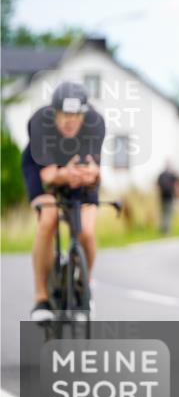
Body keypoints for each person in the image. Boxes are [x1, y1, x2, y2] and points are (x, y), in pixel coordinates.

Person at [20, 82, 106, 322]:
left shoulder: (96, 123)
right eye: (64, 114)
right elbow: (48, 176)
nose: (70, 121)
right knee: (48, 219)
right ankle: (41, 298)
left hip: (76, 174)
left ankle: (83, 287)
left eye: (76, 115)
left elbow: (95, 168)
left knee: (86, 231)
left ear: (84, 115)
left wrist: (90, 174)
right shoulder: (40, 123)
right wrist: (64, 174)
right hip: (43, 170)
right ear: (54, 113)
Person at [157, 162, 178, 234]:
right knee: (168, 213)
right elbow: (176, 185)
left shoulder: (161, 175)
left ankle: (162, 229)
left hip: (162, 196)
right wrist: (176, 195)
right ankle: (167, 230)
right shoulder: (172, 175)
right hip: (169, 197)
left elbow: (157, 185)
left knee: (163, 213)